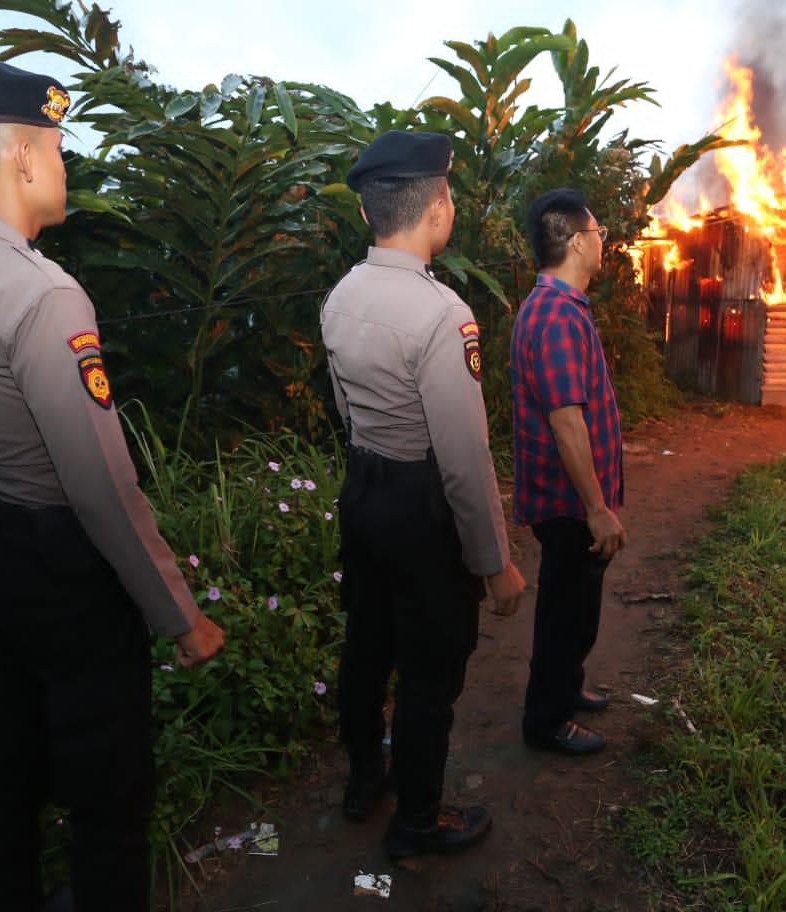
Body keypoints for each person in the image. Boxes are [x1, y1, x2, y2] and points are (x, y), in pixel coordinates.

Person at [0, 56, 224, 911]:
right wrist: (177, 614)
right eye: (60, 150)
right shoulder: (43, 295)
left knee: (17, 769)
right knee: (109, 797)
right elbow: (101, 486)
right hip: (72, 569)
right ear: (25, 156)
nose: (63, 168)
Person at [321, 130, 525, 858]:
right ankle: (418, 818)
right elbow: (464, 459)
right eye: (451, 193)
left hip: (364, 488)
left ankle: (363, 781)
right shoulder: (444, 315)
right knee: (430, 669)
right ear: (436, 204)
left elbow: (346, 409)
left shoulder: (341, 295)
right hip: (418, 505)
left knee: (368, 644)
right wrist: (492, 561)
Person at [511, 188, 626, 756]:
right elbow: (566, 424)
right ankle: (547, 719)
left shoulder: (561, 306)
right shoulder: (557, 317)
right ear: (578, 241)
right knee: (564, 612)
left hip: (569, 499)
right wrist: (597, 509)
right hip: (568, 504)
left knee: (577, 606)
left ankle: (567, 689)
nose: (604, 240)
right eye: (600, 232)